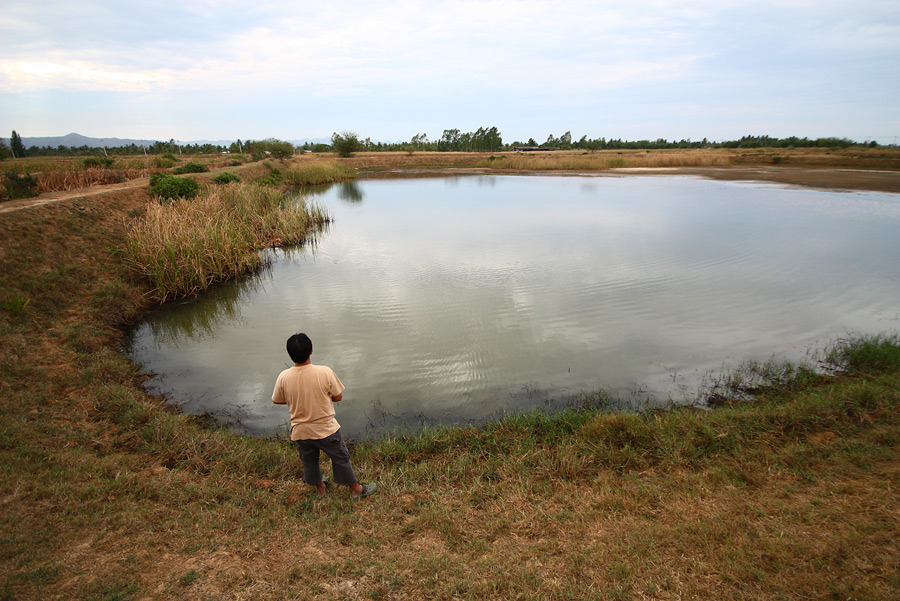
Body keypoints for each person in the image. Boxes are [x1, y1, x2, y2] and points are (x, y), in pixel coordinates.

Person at [272, 333, 377, 501]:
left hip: (301, 431)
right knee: (341, 458)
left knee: (309, 461)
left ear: (290, 354)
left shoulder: (283, 377)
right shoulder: (324, 372)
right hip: (326, 429)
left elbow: (277, 400)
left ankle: (320, 489)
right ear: (311, 351)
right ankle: (357, 489)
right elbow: (338, 397)